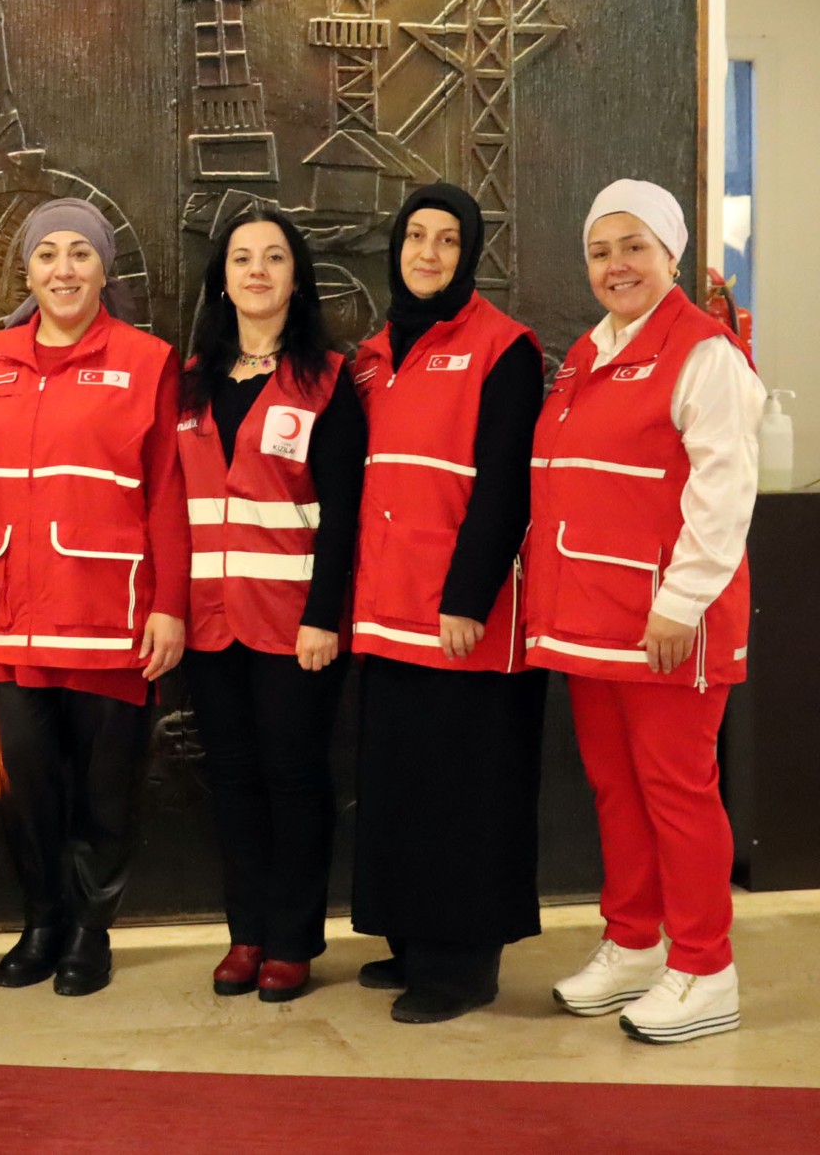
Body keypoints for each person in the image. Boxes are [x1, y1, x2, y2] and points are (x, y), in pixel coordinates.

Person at [527, 179, 763, 1045]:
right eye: (600, 250)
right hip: (594, 617)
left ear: (671, 253)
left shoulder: (704, 354)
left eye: (634, 247)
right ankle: (633, 942)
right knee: (615, 787)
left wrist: (682, 601)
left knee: (677, 791)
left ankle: (704, 968)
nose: (616, 265)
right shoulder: (591, 353)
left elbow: (724, 489)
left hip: (670, 624)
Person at [0, 198, 186, 997]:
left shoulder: (148, 360)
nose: (64, 269)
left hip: (108, 612)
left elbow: (167, 488)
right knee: (24, 785)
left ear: (103, 269)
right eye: (48, 254)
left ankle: (91, 932)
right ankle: (42, 921)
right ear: (27, 270)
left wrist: (170, 604)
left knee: (104, 789)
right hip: (11, 617)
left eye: (80, 254)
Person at [347, 184, 548, 1023]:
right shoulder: (370, 354)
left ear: (470, 254)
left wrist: (468, 595)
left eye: (448, 241)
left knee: (464, 791)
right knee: (400, 782)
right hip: (385, 605)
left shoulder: (505, 348)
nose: (428, 253)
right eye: (416, 237)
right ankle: (410, 938)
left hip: (463, 617)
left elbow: (506, 485)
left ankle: (462, 966)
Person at [176, 205, 364, 1004]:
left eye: (274, 258)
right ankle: (245, 933)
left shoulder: (326, 379)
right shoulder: (191, 381)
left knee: (294, 778)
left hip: (294, 624)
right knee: (232, 779)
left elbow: (346, 508)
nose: (257, 270)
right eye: (242, 258)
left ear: (296, 278)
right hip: (210, 622)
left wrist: (326, 615)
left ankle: (292, 939)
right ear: (222, 278)